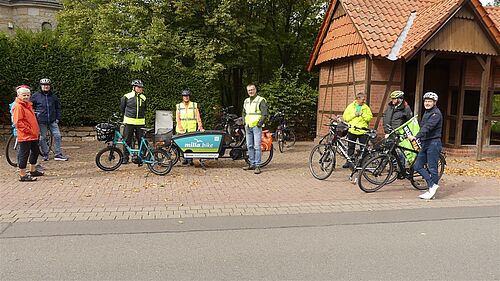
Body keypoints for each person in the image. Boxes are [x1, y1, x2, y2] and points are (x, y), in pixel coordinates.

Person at [408, 92, 442, 200]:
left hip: (434, 143)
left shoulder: (436, 114)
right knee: (417, 166)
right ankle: (432, 185)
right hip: (425, 143)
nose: (427, 103)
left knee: (432, 168)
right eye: (426, 101)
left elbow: (427, 127)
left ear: (434, 103)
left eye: (429, 101)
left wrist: (416, 137)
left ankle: (431, 190)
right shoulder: (427, 112)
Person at [12, 85, 44, 181]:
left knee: (35, 151)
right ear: (19, 95)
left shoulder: (28, 105)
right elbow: (18, 122)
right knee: (24, 154)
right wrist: (29, 130)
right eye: (24, 95)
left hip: (32, 134)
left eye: (28, 95)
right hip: (25, 135)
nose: (26, 97)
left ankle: (32, 170)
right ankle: (22, 175)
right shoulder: (18, 106)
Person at [31, 78, 68, 161]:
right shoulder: (35, 96)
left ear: (50, 86)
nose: (46, 86)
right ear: (40, 86)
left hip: (52, 120)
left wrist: (58, 118)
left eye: (47, 85)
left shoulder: (53, 97)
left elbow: (58, 108)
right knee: (42, 138)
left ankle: (58, 154)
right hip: (41, 121)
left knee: (58, 136)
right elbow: (30, 106)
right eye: (44, 85)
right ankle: (45, 153)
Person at [342, 92, 373, 168]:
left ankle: (363, 163)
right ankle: (349, 162)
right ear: (358, 99)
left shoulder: (366, 107)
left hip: (362, 131)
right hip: (352, 130)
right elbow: (345, 117)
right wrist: (354, 115)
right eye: (363, 99)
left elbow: (370, 118)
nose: (364, 101)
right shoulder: (350, 107)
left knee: (363, 148)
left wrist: (363, 114)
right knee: (351, 147)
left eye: (364, 99)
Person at [242, 84, 268, 174]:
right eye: (249, 90)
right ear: (247, 91)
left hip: (256, 126)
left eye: (252, 89)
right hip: (248, 126)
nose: (251, 91)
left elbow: (264, 114)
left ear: (255, 90)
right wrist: (244, 122)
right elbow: (244, 113)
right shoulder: (246, 101)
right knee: (249, 146)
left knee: (257, 146)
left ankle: (257, 165)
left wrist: (259, 124)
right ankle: (251, 164)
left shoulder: (260, 100)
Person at [120, 79, 147, 164]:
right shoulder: (127, 96)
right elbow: (122, 108)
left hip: (140, 123)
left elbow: (144, 109)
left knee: (141, 140)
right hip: (129, 122)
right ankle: (125, 158)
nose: (140, 89)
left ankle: (141, 157)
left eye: (141, 87)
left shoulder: (144, 97)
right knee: (127, 140)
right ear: (134, 87)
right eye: (138, 87)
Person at [175, 89, 204, 165]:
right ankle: (184, 158)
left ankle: (190, 159)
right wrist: (180, 126)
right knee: (181, 144)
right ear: (182, 97)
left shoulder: (194, 105)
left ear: (189, 97)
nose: (186, 97)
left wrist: (200, 126)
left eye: (187, 96)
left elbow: (198, 117)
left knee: (190, 144)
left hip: (191, 128)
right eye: (184, 96)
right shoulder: (179, 106)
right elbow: (177, 118)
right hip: (181, 128)